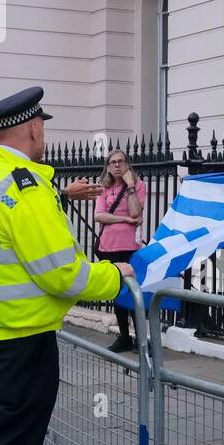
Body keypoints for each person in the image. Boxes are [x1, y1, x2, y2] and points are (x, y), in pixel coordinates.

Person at [0, 86, 134, 445]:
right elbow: (63, 274)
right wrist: (117, 275)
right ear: (34, 127)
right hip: (23, 345)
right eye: (43, 129)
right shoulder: (25, 187)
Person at [94, 149, 147, 353]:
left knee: (134, 293)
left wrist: (131, 186)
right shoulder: (104, 187)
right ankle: (124, 336)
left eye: (120, 162)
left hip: (129, 247)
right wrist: (125, 219)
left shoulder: (139, 185)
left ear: (127, 165)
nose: (116, 166)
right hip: (108, 247)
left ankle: (141, 339)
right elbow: (99, 215)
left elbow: (136, 211)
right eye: (112, 162)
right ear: (107, 166)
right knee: (118, 295)